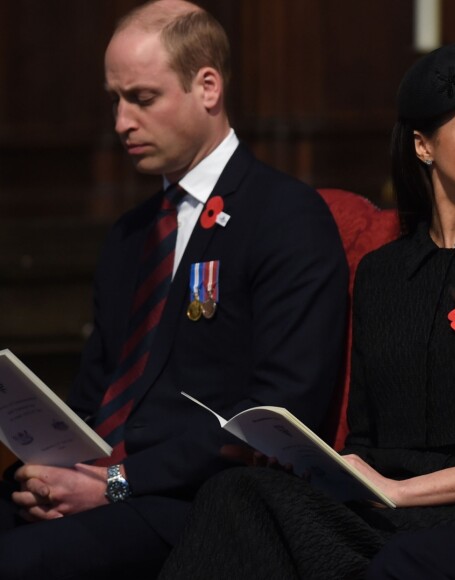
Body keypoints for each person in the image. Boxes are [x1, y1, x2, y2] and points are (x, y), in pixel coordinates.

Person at [158, 42, 455, 579]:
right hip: (386, 509)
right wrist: (328, 467)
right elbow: (366, 437)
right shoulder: (383, 272)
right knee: (237, 492)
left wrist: (402, 492)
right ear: (423, 146)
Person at [0, 1, 348, 579]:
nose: (120, 123)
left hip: (195, 502)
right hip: (97, 487)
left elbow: (280, 410)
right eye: (115, 100)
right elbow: (95, 394)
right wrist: (45, 471)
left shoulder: (284, 215)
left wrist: (116, 483)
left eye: (141, 98)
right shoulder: (130, 233)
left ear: (206, 87)